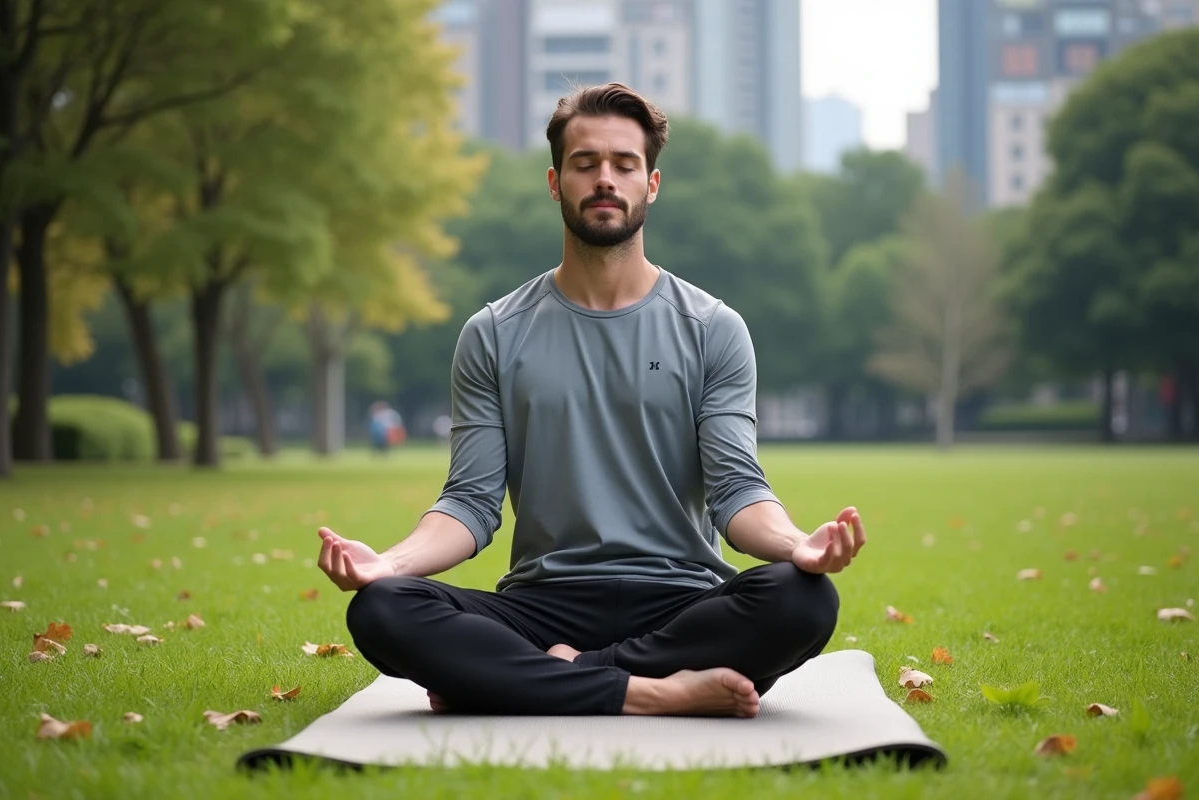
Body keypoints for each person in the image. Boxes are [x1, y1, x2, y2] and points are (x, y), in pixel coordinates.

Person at [316, 83, 866, 718]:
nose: (605, 179)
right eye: (585, 164)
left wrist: (798, 545)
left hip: (681, 601)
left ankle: (535, 681)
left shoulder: (714, 328)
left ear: (651, 184)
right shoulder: (492, 334)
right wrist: (389, 562)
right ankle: (652, 692)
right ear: (556, 182)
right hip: (543, 600)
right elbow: (470, 504)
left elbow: (736, 491)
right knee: (384, 607)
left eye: (624, 164)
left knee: (804, 599)